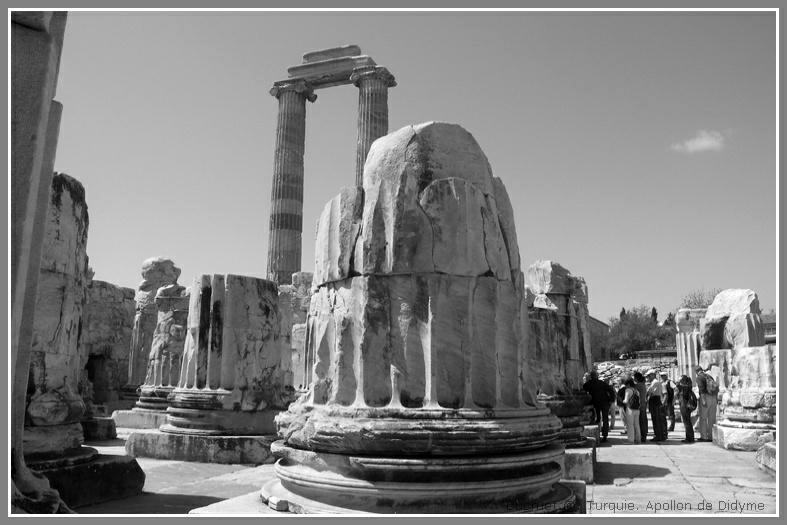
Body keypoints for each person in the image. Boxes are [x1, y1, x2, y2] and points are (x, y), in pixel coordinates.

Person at [583, 370, 611, 443]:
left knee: (597, 419)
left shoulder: (588, 384)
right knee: (605, 419)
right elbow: (610, 390)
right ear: (597, 376)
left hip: (596, 403)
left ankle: (597, 434)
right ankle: (605, 436)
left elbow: (583, 389)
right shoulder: (602, 383)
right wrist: (611, 400)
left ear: (591, 376)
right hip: (605, 403)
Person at [695, 365, 718, 442]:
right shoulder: (709, 376)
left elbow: (701, 389)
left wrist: (703, 400)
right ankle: (711, 436)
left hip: (705, 397)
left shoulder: (699, 377)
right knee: (712, 418)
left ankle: (704, 436)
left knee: (703, 417)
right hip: (713, 397)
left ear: (696, 371)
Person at [645, 369, 666, 441]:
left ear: (653, 375)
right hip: (655, 400)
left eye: (649, 376)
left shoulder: (655, 382)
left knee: (656, 419)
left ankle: (658, 435)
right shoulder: (655, 382)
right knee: (657, 419)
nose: (648, 378)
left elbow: (649, 391)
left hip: (655, 400)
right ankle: (660, 435)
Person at [677, 375, 696, 443]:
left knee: (686, 422)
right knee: (687, 422)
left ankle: (689, 438)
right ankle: (689, 437)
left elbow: (677, 385)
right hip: (686, 406)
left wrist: (679, 382)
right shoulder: (687, 387)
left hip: (684, 406)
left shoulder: (684, 387)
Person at [622, 376, 641, 444]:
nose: (625, 386)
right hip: (637, 409)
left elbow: (626, 401)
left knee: (630, 425)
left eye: (626, 385)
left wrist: (622, 401)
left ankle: (631, 440)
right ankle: (638, 439)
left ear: (628, 384)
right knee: (637, 425)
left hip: (630, 409)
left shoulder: (628, 390)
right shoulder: (636, 391)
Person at [633, 371, 648, 442]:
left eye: (634, 377)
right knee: (643, 420)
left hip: (639, 405)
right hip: (643, 404)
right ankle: (644, 435)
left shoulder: (638, 385)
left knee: (640, 421)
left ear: (636, 378)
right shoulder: (643, 384)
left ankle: (643, 436)